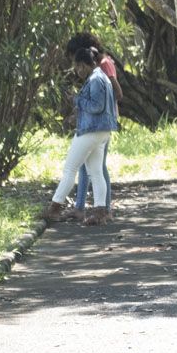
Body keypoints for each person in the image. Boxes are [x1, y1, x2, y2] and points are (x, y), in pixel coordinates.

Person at [43, 47, 115, 226]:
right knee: (96, 172)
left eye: (77, 66)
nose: (76, 70)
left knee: (69, 169)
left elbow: (96, 106)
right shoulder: (101, 77)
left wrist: (77, 99)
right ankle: (100, 212)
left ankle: (54, 208)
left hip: (90, 130)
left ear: (84, 65)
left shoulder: (96, 79)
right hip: (102, 131)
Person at [66, 33, 123, 220]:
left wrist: (102, 110)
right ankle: (83, 207)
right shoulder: (98, 67)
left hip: (101, 125)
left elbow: (117, 92)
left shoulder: (103, 66)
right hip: (95, 123)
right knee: (89, 167)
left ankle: (103, 209)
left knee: (96, 168)